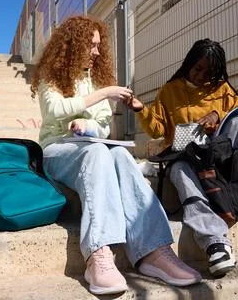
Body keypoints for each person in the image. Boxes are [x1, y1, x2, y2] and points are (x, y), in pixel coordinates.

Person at [30, 15, 202, 295]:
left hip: (90, 146)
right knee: (98, 154)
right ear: (74, 45)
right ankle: (98, 251)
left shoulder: (96, 78)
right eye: (91, 46)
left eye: (99, 46)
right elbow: (54, 111)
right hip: (56, 150)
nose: (97, 52)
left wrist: (90, 126)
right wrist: (104, 93)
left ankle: (154, 251)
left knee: (119, 156)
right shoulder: (51, 76)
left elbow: (102, 125)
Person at [127, 38, 238, 277]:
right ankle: (215, 243)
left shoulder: (222, 88)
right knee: (180, 170)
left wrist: (216, 114)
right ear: (188, 64)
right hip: (184, 154)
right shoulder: (170, 90)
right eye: (198, 69)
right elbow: (157, 131)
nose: (202, 76)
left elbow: (237, 110)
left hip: (217, 152)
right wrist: (141, 109)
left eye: (209, 72)